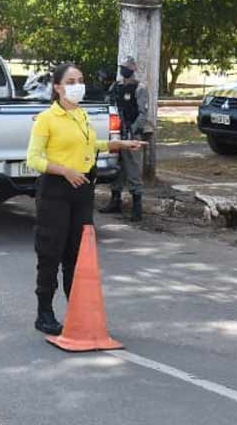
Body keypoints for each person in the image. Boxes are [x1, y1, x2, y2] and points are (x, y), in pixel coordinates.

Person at [25, 63, 147, 335]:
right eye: (70, 81)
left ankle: (78, 310)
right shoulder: (47, 119)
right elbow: (33, 159)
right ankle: (44, 312)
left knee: (76, 255)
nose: (77, 85)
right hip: (56, 189)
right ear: (57, 87)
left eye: (80, 80)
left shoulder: (82, 114)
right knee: (50, 252)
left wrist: (119, 144)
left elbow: (89, 145)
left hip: (82, 190)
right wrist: (65, 171)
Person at [101, 56, 150, 220]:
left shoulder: (140, 88)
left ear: (133, 69)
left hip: (131, 133)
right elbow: (109, 105)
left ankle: (137, 207)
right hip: (116, 132)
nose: (124, 70)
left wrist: (132, 130)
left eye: (127, 67)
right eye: (122, 67)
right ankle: (115, 201)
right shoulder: (116, 86)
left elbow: (143, 114)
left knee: (133, 169)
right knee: (117, 167)